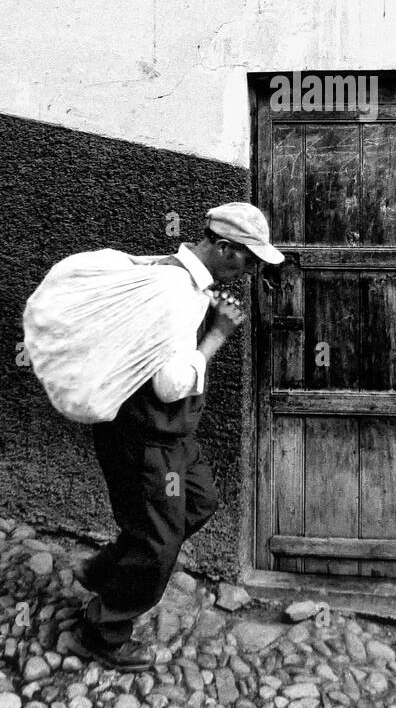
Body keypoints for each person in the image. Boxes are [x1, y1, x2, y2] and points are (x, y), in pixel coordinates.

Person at [66, 202, 284, 671]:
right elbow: (170, 384)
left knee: (199, 503)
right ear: (224, 248)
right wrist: (219, 335)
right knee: (158, 543)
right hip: (149, 439)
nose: (250, 272)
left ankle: (103, 571)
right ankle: (102, 632)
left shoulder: (183, 280)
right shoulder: (175, 294)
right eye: (248, 260)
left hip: (174, 436)